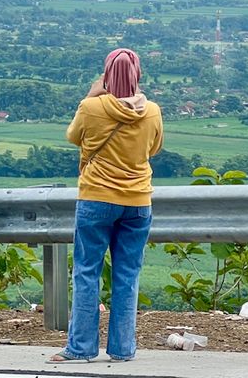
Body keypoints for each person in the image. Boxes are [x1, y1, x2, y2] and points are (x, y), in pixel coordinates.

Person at [50, 47, 163, 364]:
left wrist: (91, 94)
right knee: (128, 275)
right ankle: (123, 349)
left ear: (107, 75)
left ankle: (81, 348)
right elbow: (154, 147)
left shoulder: (91, 107)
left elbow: (73, 136)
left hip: (97, 199)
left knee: (87, 273)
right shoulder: (152, 110)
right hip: (139, 202)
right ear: (138, 74)